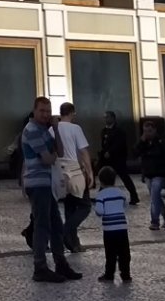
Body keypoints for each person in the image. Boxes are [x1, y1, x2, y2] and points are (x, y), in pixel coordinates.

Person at [21, 95, 82, 283]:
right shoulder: (32, 130)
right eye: (42, 111)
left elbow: (60, 152)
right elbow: (47, 159)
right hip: (37, 184)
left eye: (48, 111)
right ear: (34, 111)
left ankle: (61, 264)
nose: (46, 114)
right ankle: (39, 267)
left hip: (47, 184)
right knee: (42, 226)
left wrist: (55, 128)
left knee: (56, 225)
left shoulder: (45, 130)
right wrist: (52, 155)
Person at [56, 103, 95, 253]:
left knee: (69, 205)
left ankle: (73, 243)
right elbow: (83, 152)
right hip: (75, 170)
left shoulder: (53, 129)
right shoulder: (75, 128)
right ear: (72, 113)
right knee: (85, 206)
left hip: (60, 171)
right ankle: (66, 231)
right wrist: (90, 172)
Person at [93, 166, 131, 283]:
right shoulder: (121, 192)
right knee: (124, 252)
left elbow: (99, 211)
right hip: (122, 228)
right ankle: (126, 274)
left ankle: (109, 274)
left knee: (110, 253)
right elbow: (126, 204)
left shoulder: (101, 195)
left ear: (101, 181)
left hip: (109, 229)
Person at [134, 119, 165, 231]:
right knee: (155, 197)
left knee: (154, 194)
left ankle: (154, 221)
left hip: (159, 174)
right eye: (145, 131)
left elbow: (164, 156)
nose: (148, 134)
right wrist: (141, 142)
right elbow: (135, 153)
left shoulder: (161, 142)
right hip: (148, 174)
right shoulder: (143, 143)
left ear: (155, 130)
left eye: (150, 131)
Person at [97, 111, 140, 207]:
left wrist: (111, 152)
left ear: (113, 118)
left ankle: (134, 196)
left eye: (107, 117)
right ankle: (101, 196)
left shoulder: (119, 131)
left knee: (125, 177)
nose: (106, 119)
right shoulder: (104, 131)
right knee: (104, 177)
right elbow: (104, 143)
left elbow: (120, 144)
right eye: (105, 117)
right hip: (107, 159)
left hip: (118, 159)